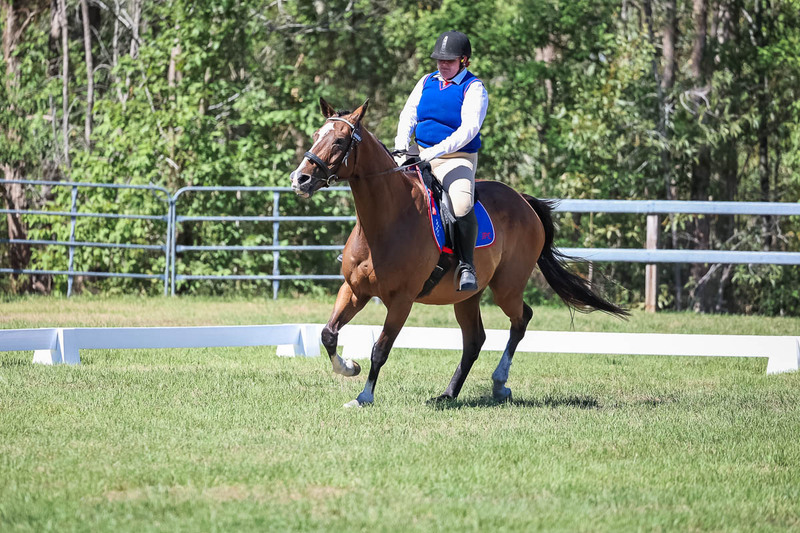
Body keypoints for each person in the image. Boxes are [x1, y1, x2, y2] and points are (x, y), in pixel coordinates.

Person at [394, 30, 488, 292]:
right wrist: (401, 146)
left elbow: (468, 130)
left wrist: (434, 152)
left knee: (461, 203)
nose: (443, 65)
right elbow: (408, 114)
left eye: (449, 61)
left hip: (456, 158)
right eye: (440, 60)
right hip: (419, 152)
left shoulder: (474, 88)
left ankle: (467, 266)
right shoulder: (427, 81)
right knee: (383, 187)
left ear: (464, 61)